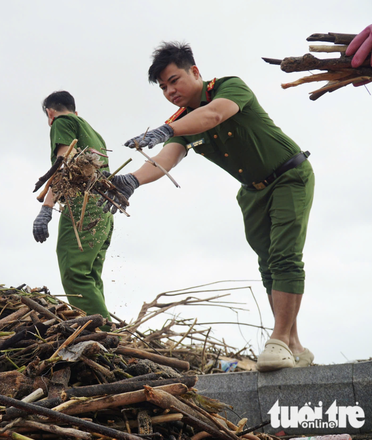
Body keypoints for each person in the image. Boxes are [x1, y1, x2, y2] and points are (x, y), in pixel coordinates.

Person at [104, 42, 315, 372]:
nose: (170, 90)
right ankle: (295, 345)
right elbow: (165, 158)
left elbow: (215, 114)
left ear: (195, 72)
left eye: (174, 80)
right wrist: (132, 180)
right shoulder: (180, 121)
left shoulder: (229, 87)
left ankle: (278, 342)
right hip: (252, 192)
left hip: (288, 175)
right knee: (268, 266)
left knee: (284, 256)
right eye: (163, 87)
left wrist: (167, 129)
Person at [33, 91, 114, 322]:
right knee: (90, 275)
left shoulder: (62, 121)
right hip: (104, 209)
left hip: (83, 206)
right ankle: (107, 331)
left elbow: (64, 163)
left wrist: (47, 208)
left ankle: (102, 335)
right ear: (76, 111)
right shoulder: (94, 133)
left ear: (50, 113)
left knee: (74, 273)